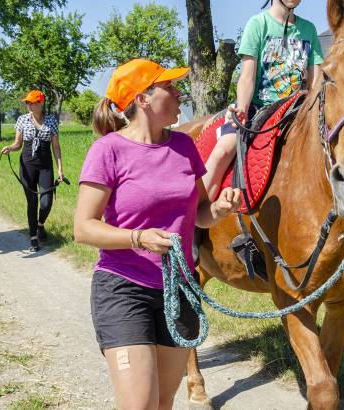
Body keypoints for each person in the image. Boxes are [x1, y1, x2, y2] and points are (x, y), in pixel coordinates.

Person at [73, 59, 241, 410]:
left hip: (178, 290)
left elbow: (200, 215)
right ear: (143, 99)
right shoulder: (108, 151)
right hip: (124, 288)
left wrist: (220, 210)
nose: (180, 92)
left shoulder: (183, 147)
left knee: (163, 404)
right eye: (170, 86)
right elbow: (83, 228)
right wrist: (138, 238)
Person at [201, 0, 325, 200]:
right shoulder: (258, 25)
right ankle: (198, 210)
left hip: (296, 111)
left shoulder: (309, 30)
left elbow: (315, 78)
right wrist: (243, 110)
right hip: (258, 107)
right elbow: (247, 76)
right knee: (224, 147)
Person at [0, 90, 64, 251]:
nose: (28, 105)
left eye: (31, 102)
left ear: (40, 103)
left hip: (45, 165)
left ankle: (40, 224)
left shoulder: (51, 121)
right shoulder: (22, 120)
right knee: (32, 202)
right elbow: (17, 144)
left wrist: (60, 170)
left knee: (46, 202)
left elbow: (56, 147)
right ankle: (33, 237)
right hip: (27, 164)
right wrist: (9, 148)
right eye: (27, 102)